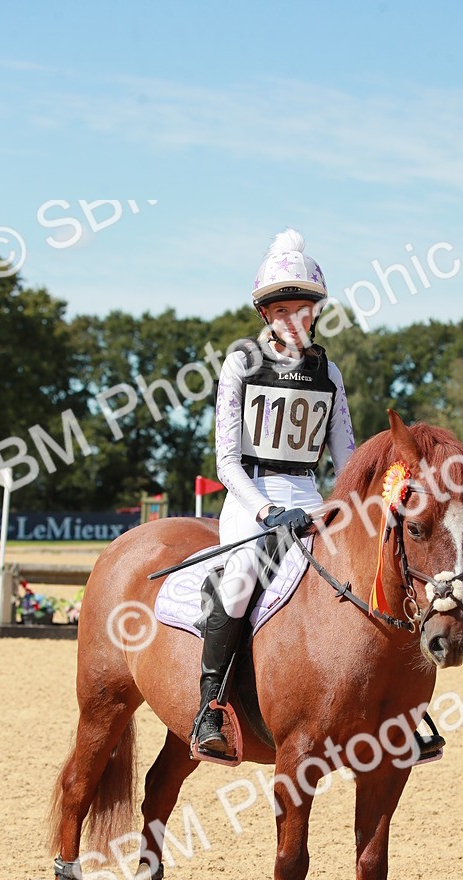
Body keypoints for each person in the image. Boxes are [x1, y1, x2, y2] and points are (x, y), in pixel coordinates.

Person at [192, 228, 356, 757]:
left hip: (310, 497)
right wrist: (266, 512)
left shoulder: (329, 373)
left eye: (302, 310)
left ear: (315, 313)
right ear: (266, 314)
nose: (292, 320)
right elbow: (226, 461)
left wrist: (342, 506)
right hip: (252, 496)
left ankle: (400, 706)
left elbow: (348, 462)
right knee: (242, 576)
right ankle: (210, 708)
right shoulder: (241, 362)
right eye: (281, 311)